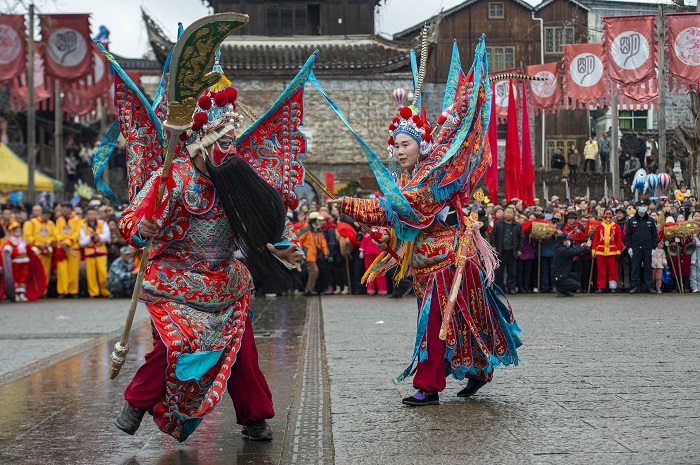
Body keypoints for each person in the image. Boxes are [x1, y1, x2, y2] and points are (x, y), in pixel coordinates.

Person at [110, 54, 305, 442]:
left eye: (232, 142)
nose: (231, 150)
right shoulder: (173, 177)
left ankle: (255, 417)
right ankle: (138, 400)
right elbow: (131, 219)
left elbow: (267, 224)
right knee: (178, 345)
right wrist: (143, 227)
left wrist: (284, 247)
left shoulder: (236, 177)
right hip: (178, 281)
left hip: (226, 283)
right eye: (224, 142)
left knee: (244, 352)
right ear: (200, 143)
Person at [333, 54, 521, 406]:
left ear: (421, 145)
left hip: (446, 263)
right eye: (395, 146)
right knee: (448, 323)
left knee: (436, 325)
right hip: (424, 264)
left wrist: (350, 205)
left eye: (405, 144)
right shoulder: (407, 178)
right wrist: (389, 236)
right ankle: (478, 372)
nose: (398, 150)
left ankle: (429, 386)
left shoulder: (432, 178)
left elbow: (400, 207)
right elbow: (403, 219)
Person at [625, 200, 658, 294]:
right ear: (636, 207)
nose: (642, 207)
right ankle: (635, 286)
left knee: (648, 268)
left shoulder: (651, 220)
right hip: (635, 247)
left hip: (647, 248)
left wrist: (653, 248)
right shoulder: (631, 220)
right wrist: (629, 247)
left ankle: (649, 287)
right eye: (640, 205)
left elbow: (654, 235)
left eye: (644, 205)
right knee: (635, 268)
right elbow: (628, 235)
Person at [489, 205, 523, 294]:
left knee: (512, 272)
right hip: (501, 251)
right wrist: (493, 246)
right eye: (506, 213)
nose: (508, 215)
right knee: (499, 272)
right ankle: (498, 288)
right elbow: (492, 235)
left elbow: (521, 238)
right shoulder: (497, 224)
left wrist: (519, 249)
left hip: (512, 251)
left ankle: (511, 288)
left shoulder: (517, 225)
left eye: (510, 213)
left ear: (513, 214)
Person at [79, 206, 111, 298]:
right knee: (90, 274)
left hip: (101, 251)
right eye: (89, 214)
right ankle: (94, 293)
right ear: (86, 215)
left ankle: (105, 291)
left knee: (103, 272)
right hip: (89, 252)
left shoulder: (102, 223)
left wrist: (98, 237)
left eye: (93, 214)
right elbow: (82, 241)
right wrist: (90, 237)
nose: (92, 216)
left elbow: (107, 236)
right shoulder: (83, 226)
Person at [591, 208, 623, 292]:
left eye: (610, 214)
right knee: (601, 271)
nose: (608, 216)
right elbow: (595, 240)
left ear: (612, 215)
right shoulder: (599, 226)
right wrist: (593, 251)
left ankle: (612, 287)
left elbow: (619, 240)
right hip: (600, 251)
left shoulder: (616, 226)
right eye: (606, 214)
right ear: (604, 215)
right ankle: (601, 287)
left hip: (612, 251)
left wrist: (618, 251)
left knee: (613, 271)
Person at [54, 202, 82, 298]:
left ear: (70, 209)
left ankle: (73, 291)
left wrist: (68, 242)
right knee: (62, 271)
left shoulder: (77, 220)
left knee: (73, 271)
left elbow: (77, 233)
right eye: (62, 208)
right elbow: (56, 232)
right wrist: (62, 242)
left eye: (65, 208)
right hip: (61, 248)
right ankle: (63, 291)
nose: (63, 210)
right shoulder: (59, 220)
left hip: (73, 248)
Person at [297, 211, 328, 296]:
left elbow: (322, 241)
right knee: (314, 271)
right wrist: (300, 252)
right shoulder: (307, 229)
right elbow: (299, 240)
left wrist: (325, 252)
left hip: (313, 254)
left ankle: (309, 289)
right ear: (314, 220)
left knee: (313, 272)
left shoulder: (316, 229)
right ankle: (309, 289)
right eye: (318, 220)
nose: (320, 221)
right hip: (308, 254)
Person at [22, 206, 55, 282]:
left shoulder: (51, 223)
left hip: (47, 251)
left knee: (46, 271)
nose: (47, 218)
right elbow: (27, 236)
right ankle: (36, 292)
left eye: (48, 216)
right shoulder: (31, 222)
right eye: (46, 215)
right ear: (41, 214)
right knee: (36, 271)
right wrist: (37, 243)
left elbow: (54, 236)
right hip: (35, 251)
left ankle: (44, 291)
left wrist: (49, 242)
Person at [2, 221, 30, 301]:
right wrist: (7, 248)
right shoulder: (10, 241)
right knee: (16, 277)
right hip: (15, 262)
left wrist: (32, 249)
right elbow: (5, 246)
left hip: (24, 261)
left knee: (23, 277)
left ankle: (22, 293)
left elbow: (28, 247)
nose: (18, 233)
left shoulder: (23, 240)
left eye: (19, 231)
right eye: (16, 232)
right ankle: (16, 294)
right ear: (12, 232)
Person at [359, 230, 387, 295]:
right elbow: (364, 241)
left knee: (379, 271)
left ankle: (382, 289)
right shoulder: (368, 231)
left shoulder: (382, 231)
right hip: (368, 253)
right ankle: (371, 289)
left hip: (378, 254)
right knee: (369, 271)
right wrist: (361, 251)